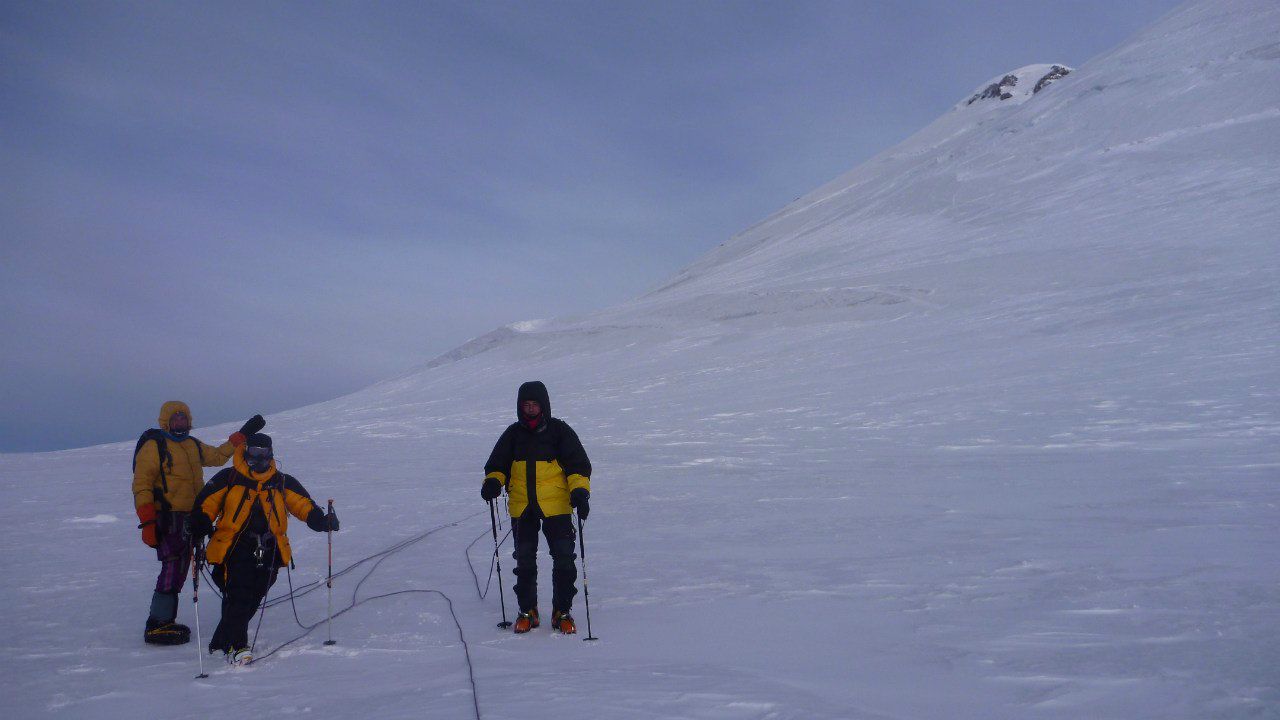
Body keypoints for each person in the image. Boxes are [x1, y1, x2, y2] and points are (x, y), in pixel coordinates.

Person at [187, 433, 338, 664]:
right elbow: (206, 505)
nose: (260, 460)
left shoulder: (281, 481)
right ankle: (238, 647)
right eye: (255, 454)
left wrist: (321, 520)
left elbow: (302, 504)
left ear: (271, 455)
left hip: (269, 549)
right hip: (233, 547)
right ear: (246, 453)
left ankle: (220, 642)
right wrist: (199, 522)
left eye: (264, 454)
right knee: (238, 594)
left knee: (254, 595)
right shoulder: (228, 478)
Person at [132, 401, 264, 646]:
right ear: (166, 421)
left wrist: (242, 435)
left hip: (193, 515)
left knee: (186, 566)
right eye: (176, 418)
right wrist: (148, 521)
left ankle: (165, 620)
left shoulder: (191, 444)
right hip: (168, 516)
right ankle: (158, 623)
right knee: (173, 566)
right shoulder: (155, 445)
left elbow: (216, 457)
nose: (181, 422)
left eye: (184, 418)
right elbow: (142, 484)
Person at [482, 381, 592, 634]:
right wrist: (493, 481)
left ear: (544, 405)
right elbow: (497, 464)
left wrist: (580, 491)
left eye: (535, 404)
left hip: (558, 506)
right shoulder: (512, 434)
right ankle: (527, 610)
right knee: (524, 561)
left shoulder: (559, 431)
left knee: (564, 560)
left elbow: (578, 466)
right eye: (526, 405)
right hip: (522, 506)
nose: (530, 409)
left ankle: (561, 612)